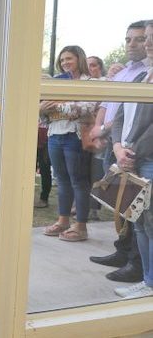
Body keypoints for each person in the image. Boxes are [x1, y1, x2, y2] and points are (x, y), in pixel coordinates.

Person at [88, 21, 150, 282]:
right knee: (128, 211)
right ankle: (127, 256)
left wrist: (128, 151)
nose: (139, 43)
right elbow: (119, 110)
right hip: (121, 149)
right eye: (133, 39)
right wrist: (114, 143)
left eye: (143, 38)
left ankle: (140, 272)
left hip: (138, 154)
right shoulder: (132, 75)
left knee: (143, 219)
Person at [109, 22, 153, 298]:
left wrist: (132, 153)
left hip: (144, 159)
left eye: (150, 38)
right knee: (139, 222)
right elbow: (120, 116)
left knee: (150, 223)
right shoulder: (141, 78)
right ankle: (148, 281)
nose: (147, 43)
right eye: (147, 38)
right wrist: (116, 147)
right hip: (129, 156)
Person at [39, 45, 96, 242]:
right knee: (62, 181)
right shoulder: (57, 82)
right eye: (62, 60)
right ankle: (63, 221)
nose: (65, 63)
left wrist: (57, 106)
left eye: (69, 59)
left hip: (76, 136)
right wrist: (42, 108)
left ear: (79, 58)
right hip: (55, 134)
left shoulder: (90, 82)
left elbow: (88, 108)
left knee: (79, 181)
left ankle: (80, 226)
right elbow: (44, 114)